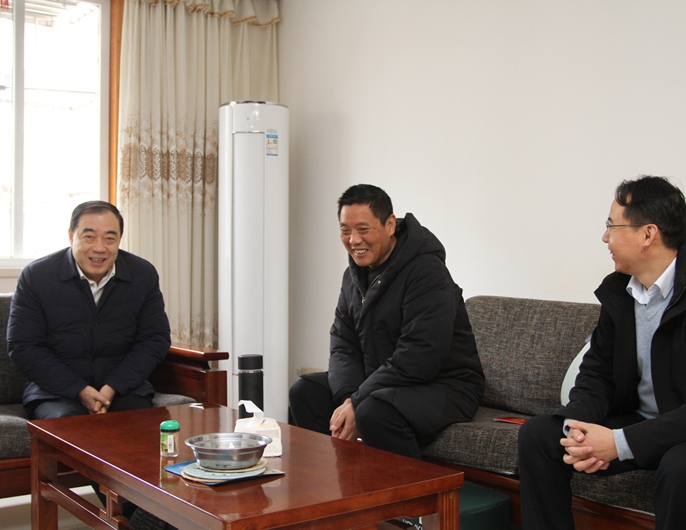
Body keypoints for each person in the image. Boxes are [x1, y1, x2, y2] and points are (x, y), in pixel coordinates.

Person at [518, 175, 686, 530]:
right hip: (639, 422)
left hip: (679, 434)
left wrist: (619, 443)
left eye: (612, 226)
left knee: (679, 469)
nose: (605, 237)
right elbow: (597, 373)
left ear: (648, 234)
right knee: (540, 435)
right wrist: (577, 429)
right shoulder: (619, 291)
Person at [8, 200, 173, 529]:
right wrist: (80, 390)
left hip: (122, 389)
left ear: (120, 239)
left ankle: (154, 514)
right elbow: (23, 346)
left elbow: (155, 339)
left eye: (110, 238)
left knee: (139, 426)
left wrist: (111, 388)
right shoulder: (37, 276)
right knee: (77, 427)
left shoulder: (142, 274)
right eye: (89, 236)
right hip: (58, 392)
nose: (100, 247)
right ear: (71, 236)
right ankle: (141, 517)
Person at [289, 184, 485, 459]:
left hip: (444, 385)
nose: (354, 240)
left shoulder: (427, 272)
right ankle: (341, 478)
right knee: (305, 392)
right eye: (345, 230)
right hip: (383, 380)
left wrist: (359, 401)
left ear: (390, 224)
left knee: (373, 411)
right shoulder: (353, 276)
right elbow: (343, 344)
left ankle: (411, 488)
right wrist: (349, 397)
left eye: (363, 229)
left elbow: (420, 356)